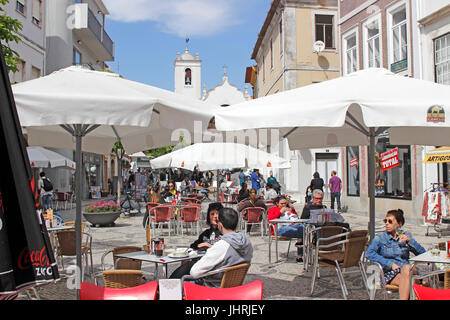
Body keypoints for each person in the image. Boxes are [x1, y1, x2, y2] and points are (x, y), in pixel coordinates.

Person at [170, 207, 253, 287]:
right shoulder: (247, 242)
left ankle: (164, 290)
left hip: (213, 287)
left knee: (188, 269)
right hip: (233, 285)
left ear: (220, 225)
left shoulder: (222, 245)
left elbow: (194, 272)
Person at [365, 209, 426, 300]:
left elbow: (423, 254)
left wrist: (410, 241)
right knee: (409, 282)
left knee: (407, 268)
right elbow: (369, 254)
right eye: (385, 221)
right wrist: (390, 264)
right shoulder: (380, 238)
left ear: (399, 224)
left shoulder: (406, 236)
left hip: (408, 270)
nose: (386, 223)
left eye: (390, 221)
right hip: (390, 273)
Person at [268, 195, 304, 262]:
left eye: (285, 203)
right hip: (279, 229)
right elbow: (270, 220)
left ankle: (300, 251)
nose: (283, 205)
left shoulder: (287, 209)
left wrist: (293, 210)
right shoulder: (273, 209)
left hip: (290, 226)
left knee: (302, 227)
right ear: (277, 203)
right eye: (282, 204)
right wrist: (280, 212)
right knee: (300, 233)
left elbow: (295, 219)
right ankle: (300, 251)